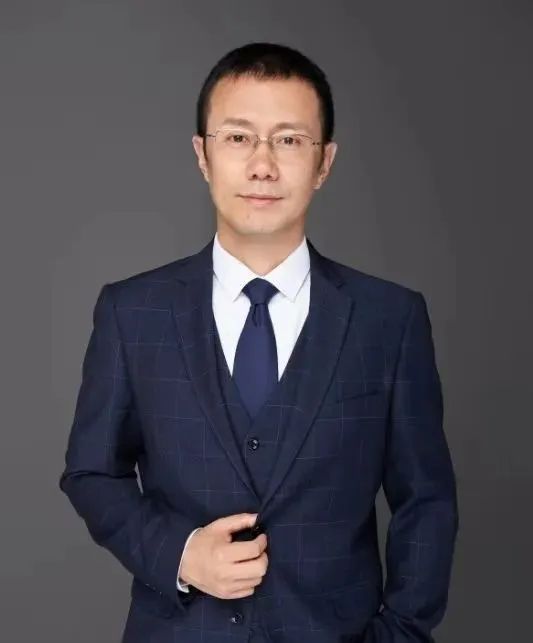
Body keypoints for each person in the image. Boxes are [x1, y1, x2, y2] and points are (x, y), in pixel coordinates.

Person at [59, 41, 458, 643]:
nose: (262, 165)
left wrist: (400, 634)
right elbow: (91, 472)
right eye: (238, 137)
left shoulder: (389, 320)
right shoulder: (132, 312)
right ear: (203, 154)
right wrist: (180, 554)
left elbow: (426, 500)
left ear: (324, 162)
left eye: (290, 140)